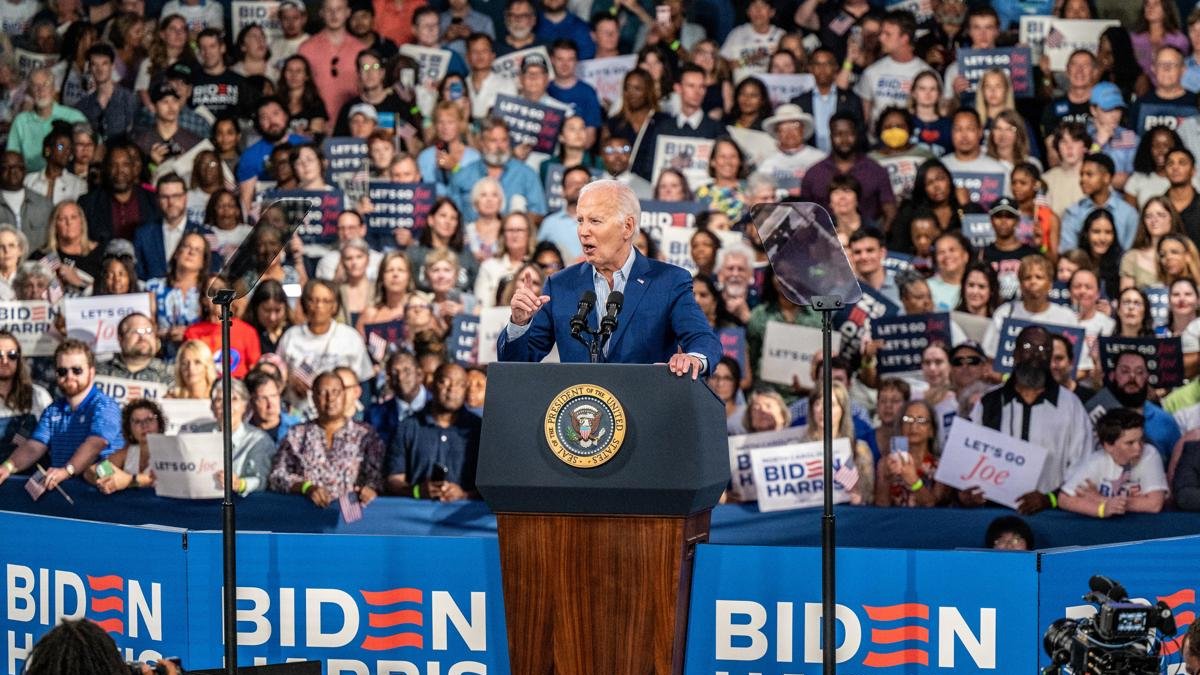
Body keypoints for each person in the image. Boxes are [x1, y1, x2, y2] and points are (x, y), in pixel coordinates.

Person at [499, 179, 721, 376]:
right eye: (580, 220)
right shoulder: (559, 285)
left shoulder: (669, 281)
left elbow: (704, 340)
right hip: (581, 418)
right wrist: (519, 324)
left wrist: (693, 359)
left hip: (645, 415)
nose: (583, 231)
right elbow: (518, 365)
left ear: (627, 227)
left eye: (595, 221)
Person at [969, 326, 1094, 514]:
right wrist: (968, 491)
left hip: (1051, 514)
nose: (1036, 355)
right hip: (994, 512)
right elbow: (970, 455)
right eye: (1028, 347)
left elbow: (1083, 463)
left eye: (1044, 349)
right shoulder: (989, 402)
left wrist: (1049, 498)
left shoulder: (1071, 405)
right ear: (1016, 354)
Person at [0, 339, 123, 491]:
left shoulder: (104, 405)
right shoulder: (54, 410)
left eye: (77, 370)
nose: (69, 376)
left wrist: (67, 470)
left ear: (91, 372)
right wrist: (7, 466)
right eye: (62, 371)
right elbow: (34, 446)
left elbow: (96, 443)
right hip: (65, 494)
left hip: (102, 493)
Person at [268, 370, 384, 507]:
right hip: (305, 516)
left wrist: (370, 490)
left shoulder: (365, 435)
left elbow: (376, 479)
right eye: (323, 392)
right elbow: (277, 477)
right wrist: (305, 488)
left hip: (350, 518)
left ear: (344, 395)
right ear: (314, 398)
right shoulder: (297, 434)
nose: (330, 398)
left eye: (336, 392)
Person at [385, 361, 480, 502]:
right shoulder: (408, 426)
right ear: (431, 386)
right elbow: (392, 480)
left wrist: (464, 495)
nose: (452, 389)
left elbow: (493, 486)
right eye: (445, 382)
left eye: (460, 384)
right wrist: (417, 491)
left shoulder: (479, 429)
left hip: (461, 517)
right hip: (416, 516)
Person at [276, 279, 374, 412]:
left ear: (334, 306)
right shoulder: (290, 337)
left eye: (325, 301)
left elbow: (364, 381)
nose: (319, 306)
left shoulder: (350, 337)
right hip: (300, 412)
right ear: (305, 303)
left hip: (343, 414)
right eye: (313, 300)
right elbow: (277, 378)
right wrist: (291, 383)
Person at [1060, 408, 1167, 517]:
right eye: (1130, 443)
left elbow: (1154, 505)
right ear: (1108, 446)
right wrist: (1100, 510)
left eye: (1141, 440)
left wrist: (1100, 499)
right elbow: (1064, 498)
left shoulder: (1149, 454)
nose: (1139, 448)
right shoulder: (1097, 461)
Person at [801, 112, 896, 227]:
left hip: (866, 240)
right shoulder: (814, 174)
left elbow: (890, 210)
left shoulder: (876, 170)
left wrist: (877, 238)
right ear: (830, 136)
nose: (844, 139)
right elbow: (803, 214)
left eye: (849, 134)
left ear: (857, 135)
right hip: (825, 241)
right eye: (838, 134)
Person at [449, 118, 546, 222]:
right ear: (481, 142)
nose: (499, 146)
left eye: (504, 140)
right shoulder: (463, 176)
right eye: (493, 141)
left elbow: (538, 213)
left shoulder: (527, 175)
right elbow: (451, 212)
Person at [983, 255, 1081, 358]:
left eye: (1039, 277)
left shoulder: (1067, 317)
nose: (1033, 282)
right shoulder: (1004, 313)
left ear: (1050, 284)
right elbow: (990, 356)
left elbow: (1081, 365)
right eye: (1027, 277)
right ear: (1020, 284)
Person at [1103, 350, 1182, 462]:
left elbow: (1178, 466)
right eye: (1125, 371)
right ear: (1112, 375)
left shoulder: (1165, 421)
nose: (1132, 377)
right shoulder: (1098, 414)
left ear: (1147, 377)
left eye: (1139, 372)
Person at [856, 10, 929, 126]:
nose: (881, 38)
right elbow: (864, 116)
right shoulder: (872, 72)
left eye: (887, 34)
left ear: (904, 38)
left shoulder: (926, 74)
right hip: (878, 142)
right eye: (881, 33)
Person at [204, 379, 276, 496]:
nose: (226, 405)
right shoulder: (199, 434)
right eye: (219, 400)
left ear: (245, 406)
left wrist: (239, 484)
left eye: (234, 399)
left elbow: (262, 480)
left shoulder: (258, 440)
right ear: (212, 407)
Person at [79, 142, 160, 245]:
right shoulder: (89, 204)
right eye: (113, 165)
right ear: (106, 169)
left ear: (134, 168)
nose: (119, 170)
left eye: (125, 165)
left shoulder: (153, 201)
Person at [875, 399, 952, 507]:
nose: (913, 426)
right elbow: (880, 508)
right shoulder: (886, 463)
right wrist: (886, 479)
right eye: (908, 419)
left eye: (921, 420)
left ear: (931, 430)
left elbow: (934, 507)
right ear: (901, 427)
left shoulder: (941, 467)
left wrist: (914, 482)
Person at [299, 0, 366, 120]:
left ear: (347, 12)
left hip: (353, 124)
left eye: (339, 9)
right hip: (316, 122)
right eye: (329, 10)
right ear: (321, 13)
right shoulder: (306, 48)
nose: (334, 14)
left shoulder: (361, 49)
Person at [1060, 153, 1140, 253]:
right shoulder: (1073, 213)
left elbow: (1129, 254)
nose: (1082, 179)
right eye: (1081, 174)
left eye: (1089, 174)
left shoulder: (1128, 214)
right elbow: (1069, 253)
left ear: (1106, 178)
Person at [184, 277, 262, 379]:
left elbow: (254, 370)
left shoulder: (247, 331)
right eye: (212, 292)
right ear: (204, 300)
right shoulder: (193, 333)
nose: (218, 295)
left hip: (238, 388)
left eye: (222, 290)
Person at [88, 398, 164, 495]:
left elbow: (167, 480)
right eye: (137, 421)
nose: (144, 425)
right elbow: (92, 470)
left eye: (149, 419)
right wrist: (107, 479)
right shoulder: (127, 452)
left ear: (160, 424)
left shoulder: (171, 451)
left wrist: (128, 480)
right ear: (129, 429)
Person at [96, 313, 173, 384]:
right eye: (135, 332)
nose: (143, 337)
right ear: (120, 338)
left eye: (148, 331)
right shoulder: (98, 374)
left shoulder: (173, 375)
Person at [0, 152, 52, 253]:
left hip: (38, 266)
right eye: (5, 167)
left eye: (17, 167)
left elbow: (52, 246)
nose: (12, 171)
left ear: (25, 170)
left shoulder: (44, 205)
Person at [23, 125, 85, 207]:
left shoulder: (78, 185)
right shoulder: (29, 181)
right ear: (48, 150)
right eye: (60, 146)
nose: (66, 151)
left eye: (69, 148)